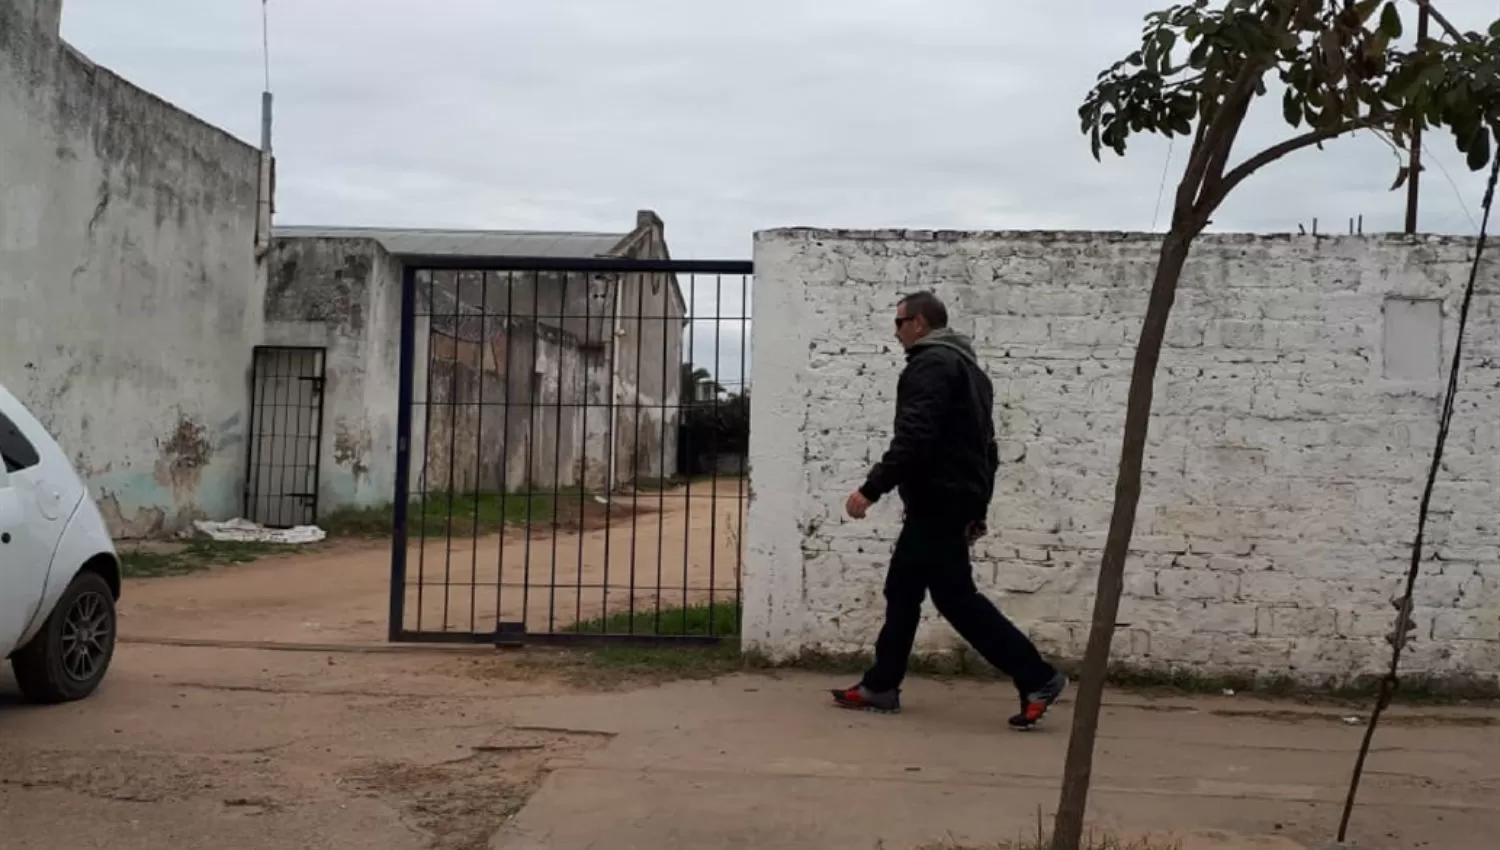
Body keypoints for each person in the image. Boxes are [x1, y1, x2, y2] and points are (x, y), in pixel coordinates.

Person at [832, 291, 1068, 731]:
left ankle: (1038, 676)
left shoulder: (931, 365)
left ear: (919, 323)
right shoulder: (971, 372)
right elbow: (986, 450)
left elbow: (916, 435)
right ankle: (882, 684)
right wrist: (977, 507)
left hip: (937, 501)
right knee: (908, 591)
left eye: (899, 322)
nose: (896, 332)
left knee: (951, 598)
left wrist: (872, 488)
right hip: (950, 500)